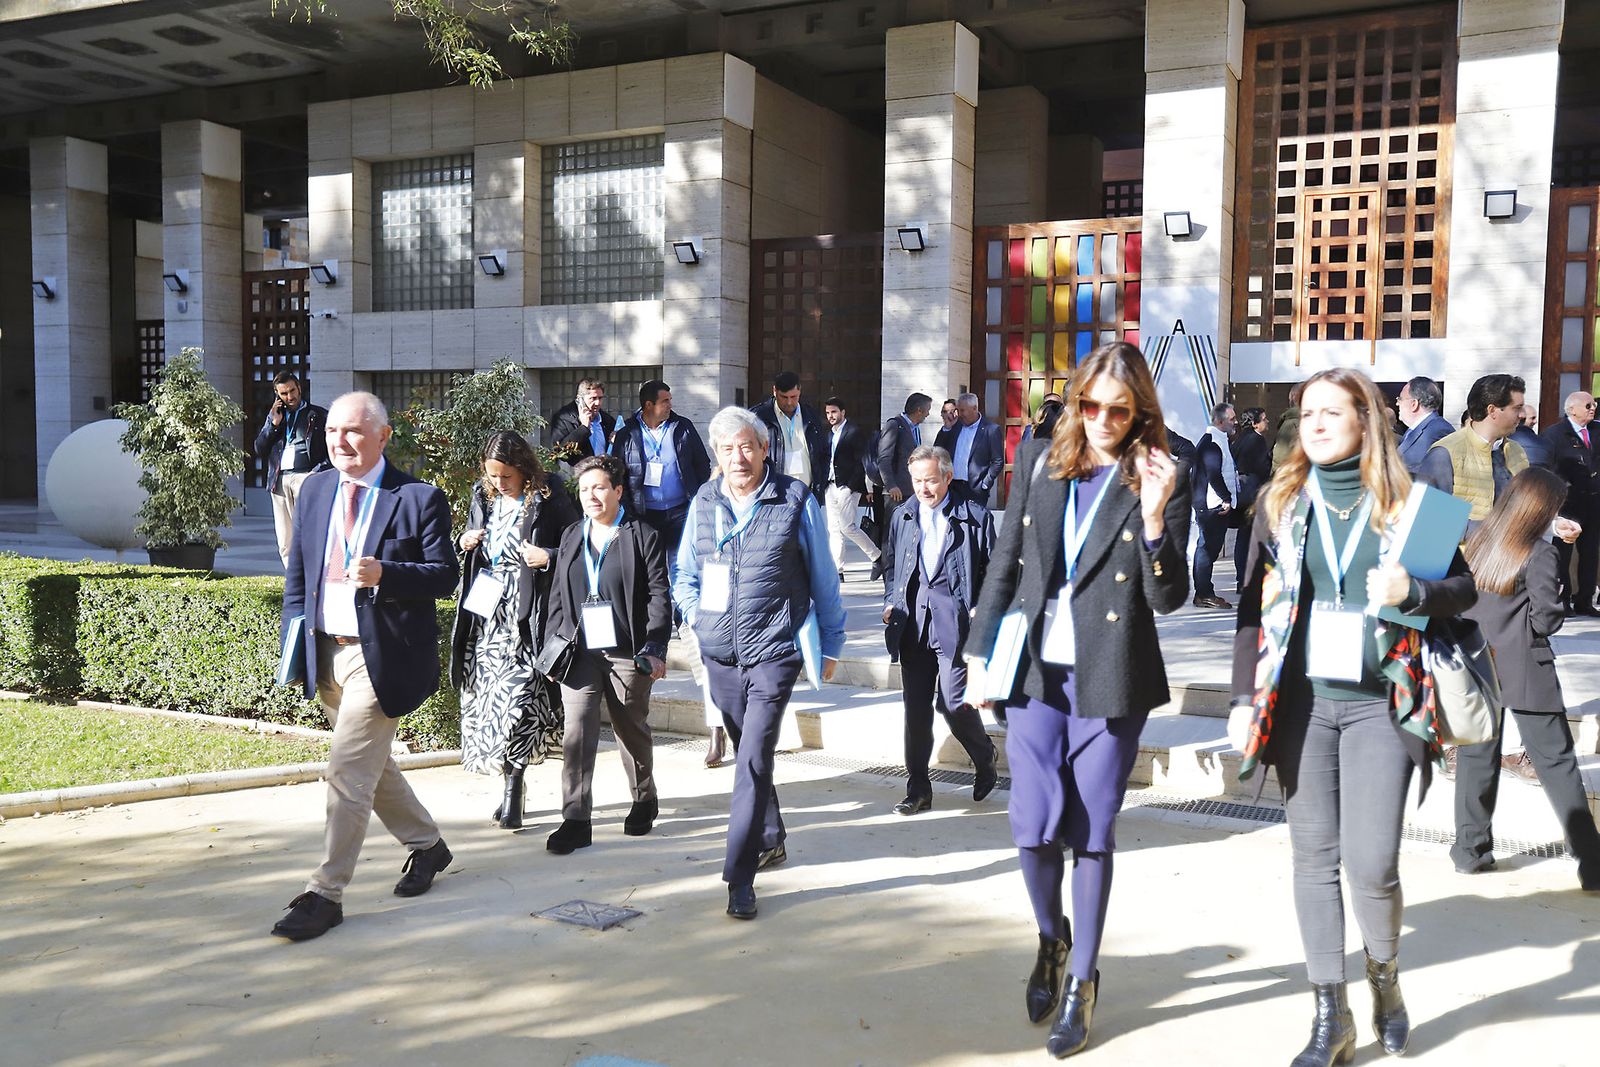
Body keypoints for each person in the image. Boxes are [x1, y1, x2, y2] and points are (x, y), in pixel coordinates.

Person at [1230, 367, 1477, 1066]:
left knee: (1373, 864)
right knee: (1312, 859)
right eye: (1307, 412)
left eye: (1331, 412)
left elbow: (1461, 590)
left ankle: (1385, 979)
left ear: (1365, 421)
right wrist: (1243, 695)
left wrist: (1416, 588)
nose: (1314, 423)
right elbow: (1254, 607)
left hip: (1381, 705)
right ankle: (1328, 1013)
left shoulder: (1407, 503)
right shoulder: (1279, 503)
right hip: (1301, 705)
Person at [966, 341, 1189, 1059]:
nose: (1099, 419)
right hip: (1034, 672)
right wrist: (976, 655)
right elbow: (1005, 561)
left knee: (1091, 831)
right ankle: (1051, 937)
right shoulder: (1039, 459)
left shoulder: (1160, 474)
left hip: (1111, 678)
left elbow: (1170, 595)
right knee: (1031, 826)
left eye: (1116, 409)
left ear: (1139, 412)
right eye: (1089, 403)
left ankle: (1082, 981)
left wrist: (1156, 518)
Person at [271, 392, 460, 941]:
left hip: (380, 656)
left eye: (353, 432)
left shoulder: (417, 497)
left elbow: (444, 575)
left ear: (383, 435)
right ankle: (428, 846)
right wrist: (296, 645)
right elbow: (298, 577)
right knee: (371, 766)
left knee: (347, 771)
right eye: (332, 432)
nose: (340, 443)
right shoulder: (314, 489)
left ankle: (324, 893)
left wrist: (387, 574)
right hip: (325, 649)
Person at [672, 407, 847, 920]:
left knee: (751, 759)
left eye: (747, 446)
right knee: (749, 748)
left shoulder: (794, 499)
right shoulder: (705, 500)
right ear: (717, 456)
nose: (738, 458)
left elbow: (823, 580)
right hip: (720, 652)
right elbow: (684, 572)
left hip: (774, 650)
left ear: (765, 448)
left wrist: (833, 643)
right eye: (727, 449)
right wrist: (698, 621)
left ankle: (740, 876)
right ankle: (769, 835)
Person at [1452, 467, 1600, 890]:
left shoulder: (1478, 541)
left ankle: (1471, 851)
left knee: (1477, 760)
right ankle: (1590, 861)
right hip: (1525, 663)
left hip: (1477, 659)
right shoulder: (1539, 552)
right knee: (1557, 762)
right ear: (1542, 509)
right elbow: (1548, 618)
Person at [540, 455, 671, 853]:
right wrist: (552, 645)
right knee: (577, 731)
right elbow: (559, 596)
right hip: (579, 651)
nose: (591, 496)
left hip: (626, 652)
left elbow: (659, 596)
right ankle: (575, 818)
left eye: (599, 488)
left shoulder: (642, 534)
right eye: (583, 490)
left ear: (617, 491)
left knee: (630, 729)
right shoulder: (570, 536)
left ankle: (644, 798)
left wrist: (654, 646)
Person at [448, 431, 579, 830]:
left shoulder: (549, 494)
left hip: (527, 615)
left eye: (505, 476)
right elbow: (470, 543)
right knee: (488, 704)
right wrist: (464, 539)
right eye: (492, 476)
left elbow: (576, 544)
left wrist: (549, 556)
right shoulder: (481, 495)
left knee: (519, 701)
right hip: (486, 616)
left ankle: (515, 784)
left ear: (523, 469)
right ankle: (508, 779)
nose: (498, 484)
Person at [881, 445, 999, 816]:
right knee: (915, 712)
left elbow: (994, 572)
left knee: (953, 704)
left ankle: (984, 754)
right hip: (913, 624)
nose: (923, 489)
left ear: (948, 476)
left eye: (931, 480)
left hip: (955, 624)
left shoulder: (975, 517)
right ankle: (918, 788)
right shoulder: (902, 516)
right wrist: (890, 598)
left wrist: (983, 605)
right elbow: (891, 565)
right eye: (917, 481)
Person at [609, 379, 711, 567]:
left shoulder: (683, 427)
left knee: (680, 565)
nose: (670, 406)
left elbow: (702, 465)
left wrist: (698, 499)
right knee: (649, 566)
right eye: (665, 401)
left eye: (670, 400)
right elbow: (617, 476)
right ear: (649, 405)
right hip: (644, 513)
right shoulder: (627, 434)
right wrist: (629, 511)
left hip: (681, 511)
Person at [1414, 373, 1528, 523]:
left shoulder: (1517, 452)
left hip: (1512, 545)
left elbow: (1526, 510)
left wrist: (1554, 525)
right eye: (1517, 408)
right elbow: (1430, 517)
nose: (1522, 415)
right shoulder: (1445, 454)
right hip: (1466, 546)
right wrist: (1481, 532)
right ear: (1492, 410)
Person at [253, 371, 328, 568]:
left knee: (307, 532)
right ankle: (293, 579)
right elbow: (259, 449)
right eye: (284, 394)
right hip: (279, 480)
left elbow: (332, 453)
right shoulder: (275, 417)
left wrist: (316, 474)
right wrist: (273, 425)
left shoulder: (318, 415)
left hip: (306, 477)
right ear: (277, 395)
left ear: (299, 388)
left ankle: (311, 574)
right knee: (285, 537)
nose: (290, 397)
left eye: (292, 391)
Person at [1542, 391, 1600, 614]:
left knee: (1590, 552)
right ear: (1572, 409)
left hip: (1594, 502)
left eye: (1593, 404)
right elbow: (1548, 467)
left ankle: (1585, 600)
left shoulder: (1597, 430)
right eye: (1587, 405)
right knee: (1563, 552)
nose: (1592, 408)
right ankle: (1563, 599)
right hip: (1568, 502)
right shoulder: (1555, 434)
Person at [821, 396, 882, 579]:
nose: (830, 416)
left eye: (834, 412)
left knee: (847, 526)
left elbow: (862, 461)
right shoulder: (829, 434)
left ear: (843, 412)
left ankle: (877, 556)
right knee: (834, 529)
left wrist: (858, 486)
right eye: (828, 413)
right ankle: (837, 570)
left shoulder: (854, 432)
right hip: (830, 485)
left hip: (848, 486)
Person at [876, 393, 932, 579]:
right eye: (927, 411)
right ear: (919, 410)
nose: (928, 415)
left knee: (909, 534)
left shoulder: (913, 428)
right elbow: (884, 459)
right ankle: (889, 577)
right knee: (891, 536)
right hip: (896, 493)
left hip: (911, 492)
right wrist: (891, 485)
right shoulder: (895, 425)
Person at [1191, 401, 1238, 610]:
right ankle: (1203, 594)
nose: (1235, 422)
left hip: (1214, 504)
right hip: (1212, 506)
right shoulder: (1212, 442)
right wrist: (1226, 498)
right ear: (1220, 421)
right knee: (1207, 550)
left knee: (1207, 549)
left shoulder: (1220, 439)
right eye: (1232, 419)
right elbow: (1213, 474)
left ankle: (1203, 591)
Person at [751, 370, 827, 497]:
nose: (789, 402)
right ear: (774, 391)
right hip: (773, 492)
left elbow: (823, 453)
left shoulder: (811, 416)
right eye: (784, 397)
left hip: (808, 492)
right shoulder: (758, 417)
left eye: (794, 397)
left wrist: (821, 484)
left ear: (800, 391)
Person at [935, 392, 1005, 505]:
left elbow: (998, 461)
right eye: (958, 410)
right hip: (953, 487)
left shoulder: (990, 429)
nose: (959, 414)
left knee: (974, 521)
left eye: (962, 410)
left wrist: (985, 483)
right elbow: (937, 450)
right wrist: (947, 428)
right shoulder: (954, 426)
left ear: (974, 408)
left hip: (975, 489)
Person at [1231, 407, 1272, 595]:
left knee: (1243, 537)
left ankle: (1241, 579)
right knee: (1251, 538)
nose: (1267, 422)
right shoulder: (1257, 441)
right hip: (1252, 494)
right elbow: (1262, 469)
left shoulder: (1239, 439)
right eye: (1264, 419)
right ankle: (1248, 579)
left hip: (1240, 494)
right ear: (1255, 423)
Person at [549, 378, 617, 467]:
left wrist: (617, 440)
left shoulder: (606, 420)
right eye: (593, 398)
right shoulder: (564, 418)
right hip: (576, 477)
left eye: (600, 398)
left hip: (602, 475)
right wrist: (583, 428)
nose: (597, 403)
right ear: (579, 399)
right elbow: (560, 452)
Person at [1394, 376, 1451, 471]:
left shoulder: (1439, 431)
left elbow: (1438, 477)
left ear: (1414, 404)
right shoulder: (1413, 430)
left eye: (1400, 399)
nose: (1397, 404)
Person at [1511, 404, 1552, 469]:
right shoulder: (1544, 443)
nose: (1535, 421)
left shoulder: (1505, 440)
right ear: (1521, 418)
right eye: (1532, 418)